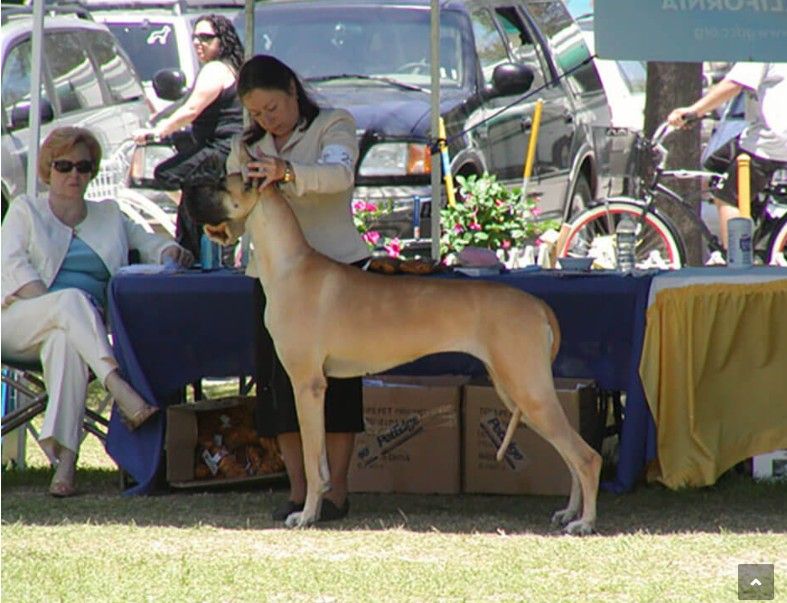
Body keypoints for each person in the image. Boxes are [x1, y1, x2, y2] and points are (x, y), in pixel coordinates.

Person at [1, 126, 194, 497]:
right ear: (47, 169)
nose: (74, 174)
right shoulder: (26, 210)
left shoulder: (109, 215)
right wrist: (55, 307)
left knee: (65, 343)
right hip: (17, 320)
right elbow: (11, 268)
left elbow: (151, 242)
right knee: (70, 301)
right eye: (63, 166)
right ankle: (118, 385)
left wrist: (170, 252)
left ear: (92, 171)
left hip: (78, 335)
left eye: (83, 166)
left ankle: (65, 467)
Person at [223, 54, 371, 521]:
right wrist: (223, 229)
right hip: (272, 280)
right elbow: (238, 209)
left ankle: (336, 492)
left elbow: (340, 175)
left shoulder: (333, 124)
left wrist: (286, 172)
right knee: (279, 387)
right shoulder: (246, 146)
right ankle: (299, 490)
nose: (267, 120)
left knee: (339, 387)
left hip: (337, 272)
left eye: (273, 108)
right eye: (257, 113)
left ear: (292, 88)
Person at [133, 14, 244, 259]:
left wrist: (158, 131)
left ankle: (201, 229)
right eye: (195, 37)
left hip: (220, 150)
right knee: (189, 190)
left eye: (206, 38)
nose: (198, 43)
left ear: (223, 40)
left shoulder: (215, 69)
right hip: (227, 150)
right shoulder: (230, 69)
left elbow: (192, 109)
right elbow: (186, 105)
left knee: (166, 174)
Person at [668, 62, 787, 249]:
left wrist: (694, 110)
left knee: (728, 197)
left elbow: (734, 83)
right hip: (763, 133)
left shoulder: (759, 50)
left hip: (771, 138)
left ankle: (736, 258)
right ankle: (757, 225)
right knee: (714, 166)